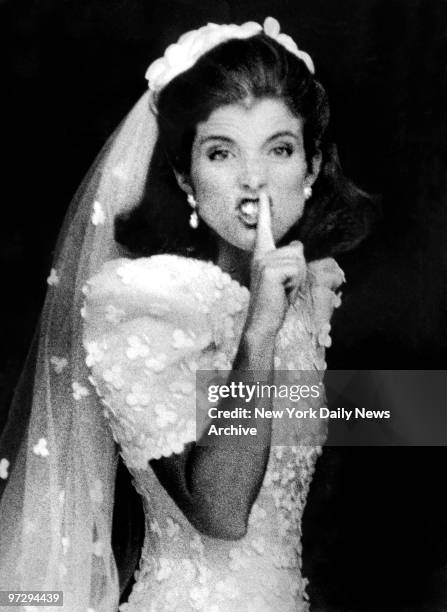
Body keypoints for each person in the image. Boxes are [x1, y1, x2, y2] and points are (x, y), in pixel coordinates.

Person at [0, 17, 375, 611]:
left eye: (279, 149)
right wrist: (258, 337)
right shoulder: (144, 302)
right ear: (185, 177)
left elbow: (379, 418)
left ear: (311, 167)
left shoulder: (307, 293)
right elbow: (220, 513)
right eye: (221, 152)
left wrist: (415, 407)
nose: (254, 181)